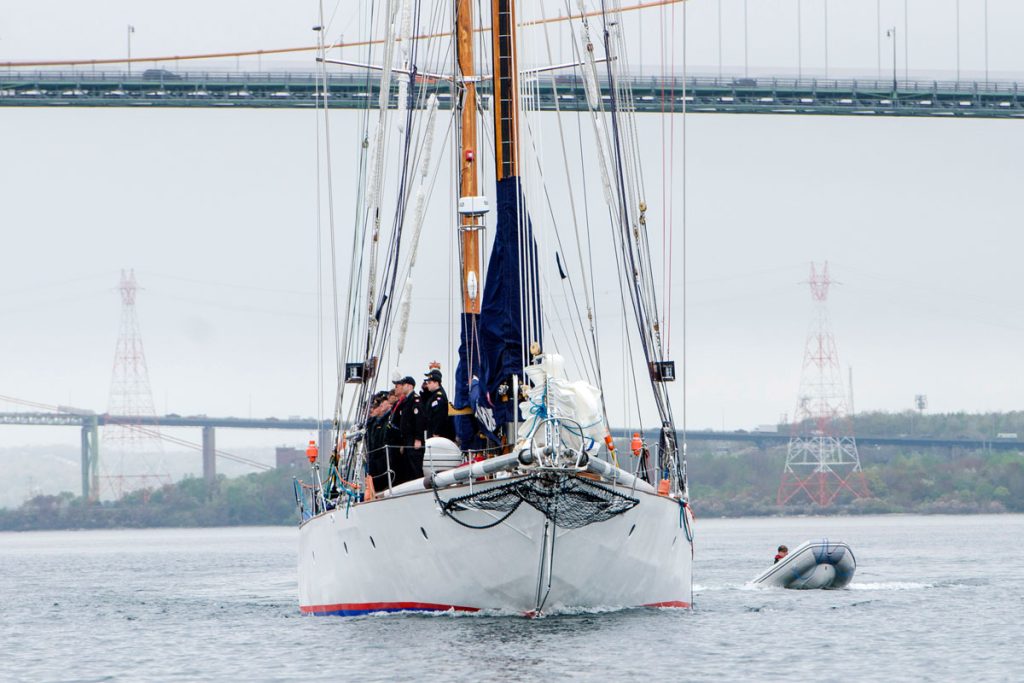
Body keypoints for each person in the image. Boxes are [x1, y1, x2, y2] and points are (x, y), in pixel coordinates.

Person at [387, 375, 425, 485]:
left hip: (414, 440)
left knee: (415, 467)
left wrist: (418, 438)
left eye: (403, 385)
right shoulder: (407, 401)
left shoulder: (415, 399)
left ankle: (419, 487)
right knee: (408, 468)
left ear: (409, 386)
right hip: (407, 439)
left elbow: (419, 420)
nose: (401, 387)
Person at [365, 391, 394, 492]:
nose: (371, 410)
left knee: (381, 479)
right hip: (374, 456)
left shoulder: (386, 420)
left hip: (382, 456)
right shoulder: (374, 423)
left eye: (381, 403)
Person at [420, 367, 456, 441]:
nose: (428, 385)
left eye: (430, 383)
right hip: (431, 431)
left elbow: (439, 416)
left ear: (436, 383)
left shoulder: (439, 397)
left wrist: (436, 432)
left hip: (437, 434)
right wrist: (424, 391)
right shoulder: (433, 395)